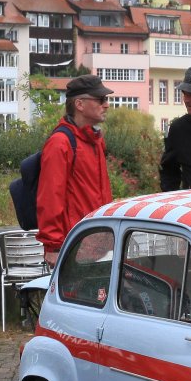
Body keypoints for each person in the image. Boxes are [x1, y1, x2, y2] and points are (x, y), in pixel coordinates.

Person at [37, 74, 115, 265]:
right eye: (101, 99)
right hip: (75, 247)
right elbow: (50, 198)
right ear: (79, 104)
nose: (106, 105)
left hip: (99, 244)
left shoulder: (95, 141)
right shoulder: (60, 143)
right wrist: (53, 247)